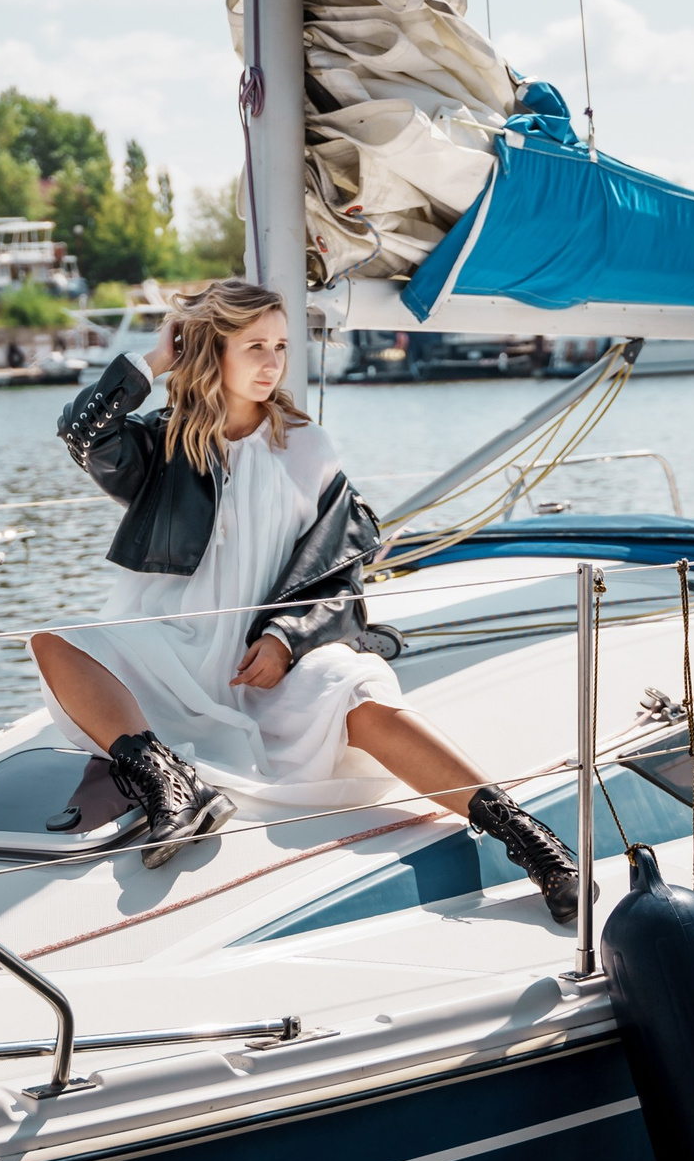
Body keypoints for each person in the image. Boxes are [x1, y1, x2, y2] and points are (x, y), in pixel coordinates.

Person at [33, 279, 579, 923]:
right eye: (254, 346)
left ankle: (532, 842)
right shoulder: (164, 442)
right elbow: (81, 433)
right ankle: (173, 785)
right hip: (172, 643)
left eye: (282, 347)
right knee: (56, 644)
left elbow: (340, 566)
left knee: (360, 697)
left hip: (266, 655)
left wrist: (287, 636)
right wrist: (153, 362)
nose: (271, 363)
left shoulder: (306, 446)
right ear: (212, 351)